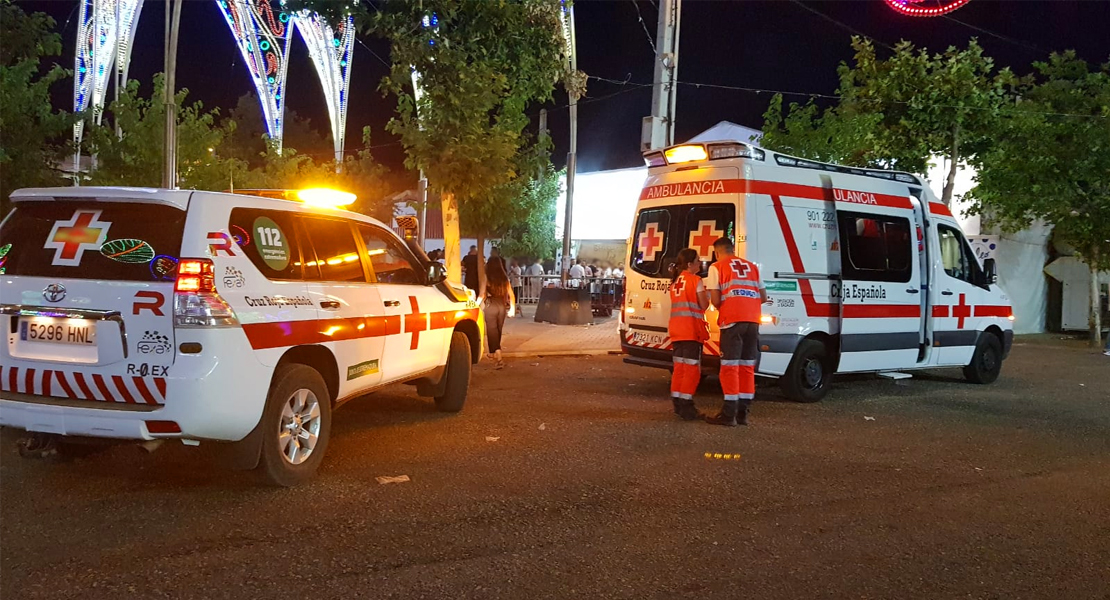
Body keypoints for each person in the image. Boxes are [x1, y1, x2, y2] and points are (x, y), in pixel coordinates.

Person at [704, 237, 769, 426]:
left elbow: (715, 300)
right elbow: (763, 297)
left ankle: (728, 415)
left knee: (730, 367)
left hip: (732, 321)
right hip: (752, 321)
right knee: (747, 367)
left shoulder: (717, 267)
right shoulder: (752, 267)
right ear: (732, 249)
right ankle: (743, 414)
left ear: (717, 252)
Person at [667, 248, 710, 421]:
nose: (700, 263)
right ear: (690, 263)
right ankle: (687, 406)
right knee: (691, 370)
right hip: (691, 330)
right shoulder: (695, 280)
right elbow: (704, 304)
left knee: (679, 368)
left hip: (676, 330)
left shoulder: (675, 282)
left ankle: (677, 402)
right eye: (698, 260)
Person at [479, 256, 516, 369]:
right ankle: (493, 352)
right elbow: (511, 295)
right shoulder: (504, 278)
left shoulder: (487, 277)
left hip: (491, 304)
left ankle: (498, 356)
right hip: (502, 305)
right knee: (498, 330)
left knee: (492, 330)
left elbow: (481, 294)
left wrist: (475, 304)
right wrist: (512, 309)